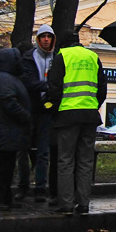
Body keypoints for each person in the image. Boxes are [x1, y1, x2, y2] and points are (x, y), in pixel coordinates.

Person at [45, 30, 106, 215]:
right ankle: (84, 203)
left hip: (67, 115)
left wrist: (52, 110)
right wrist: (93, 105)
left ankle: (66, 204)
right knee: (85, 161)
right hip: (89, 115)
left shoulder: (62, 56)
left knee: (65, 160)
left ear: (63, 44)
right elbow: (102, 89)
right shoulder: (93, 56)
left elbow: (54, 88)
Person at [0, 48, 33, 211]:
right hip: (6, 131)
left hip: (6, 131)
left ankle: (4, 198)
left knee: (6, 166)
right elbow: (9, 102)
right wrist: (25, 116)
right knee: (2, 167)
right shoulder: (4, 78)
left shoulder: (5, 77)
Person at [16, 25, 57, 202]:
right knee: (23, 149)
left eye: (49, 36)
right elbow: (28, 81)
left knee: (43, 152)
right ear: (38, 39)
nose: (46, 39)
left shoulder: (57, 58)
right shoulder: (29, 57)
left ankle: (41, 188)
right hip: (30, 108)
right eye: (43, 36)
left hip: (47, 110)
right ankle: (23, 186)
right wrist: (47, 86)